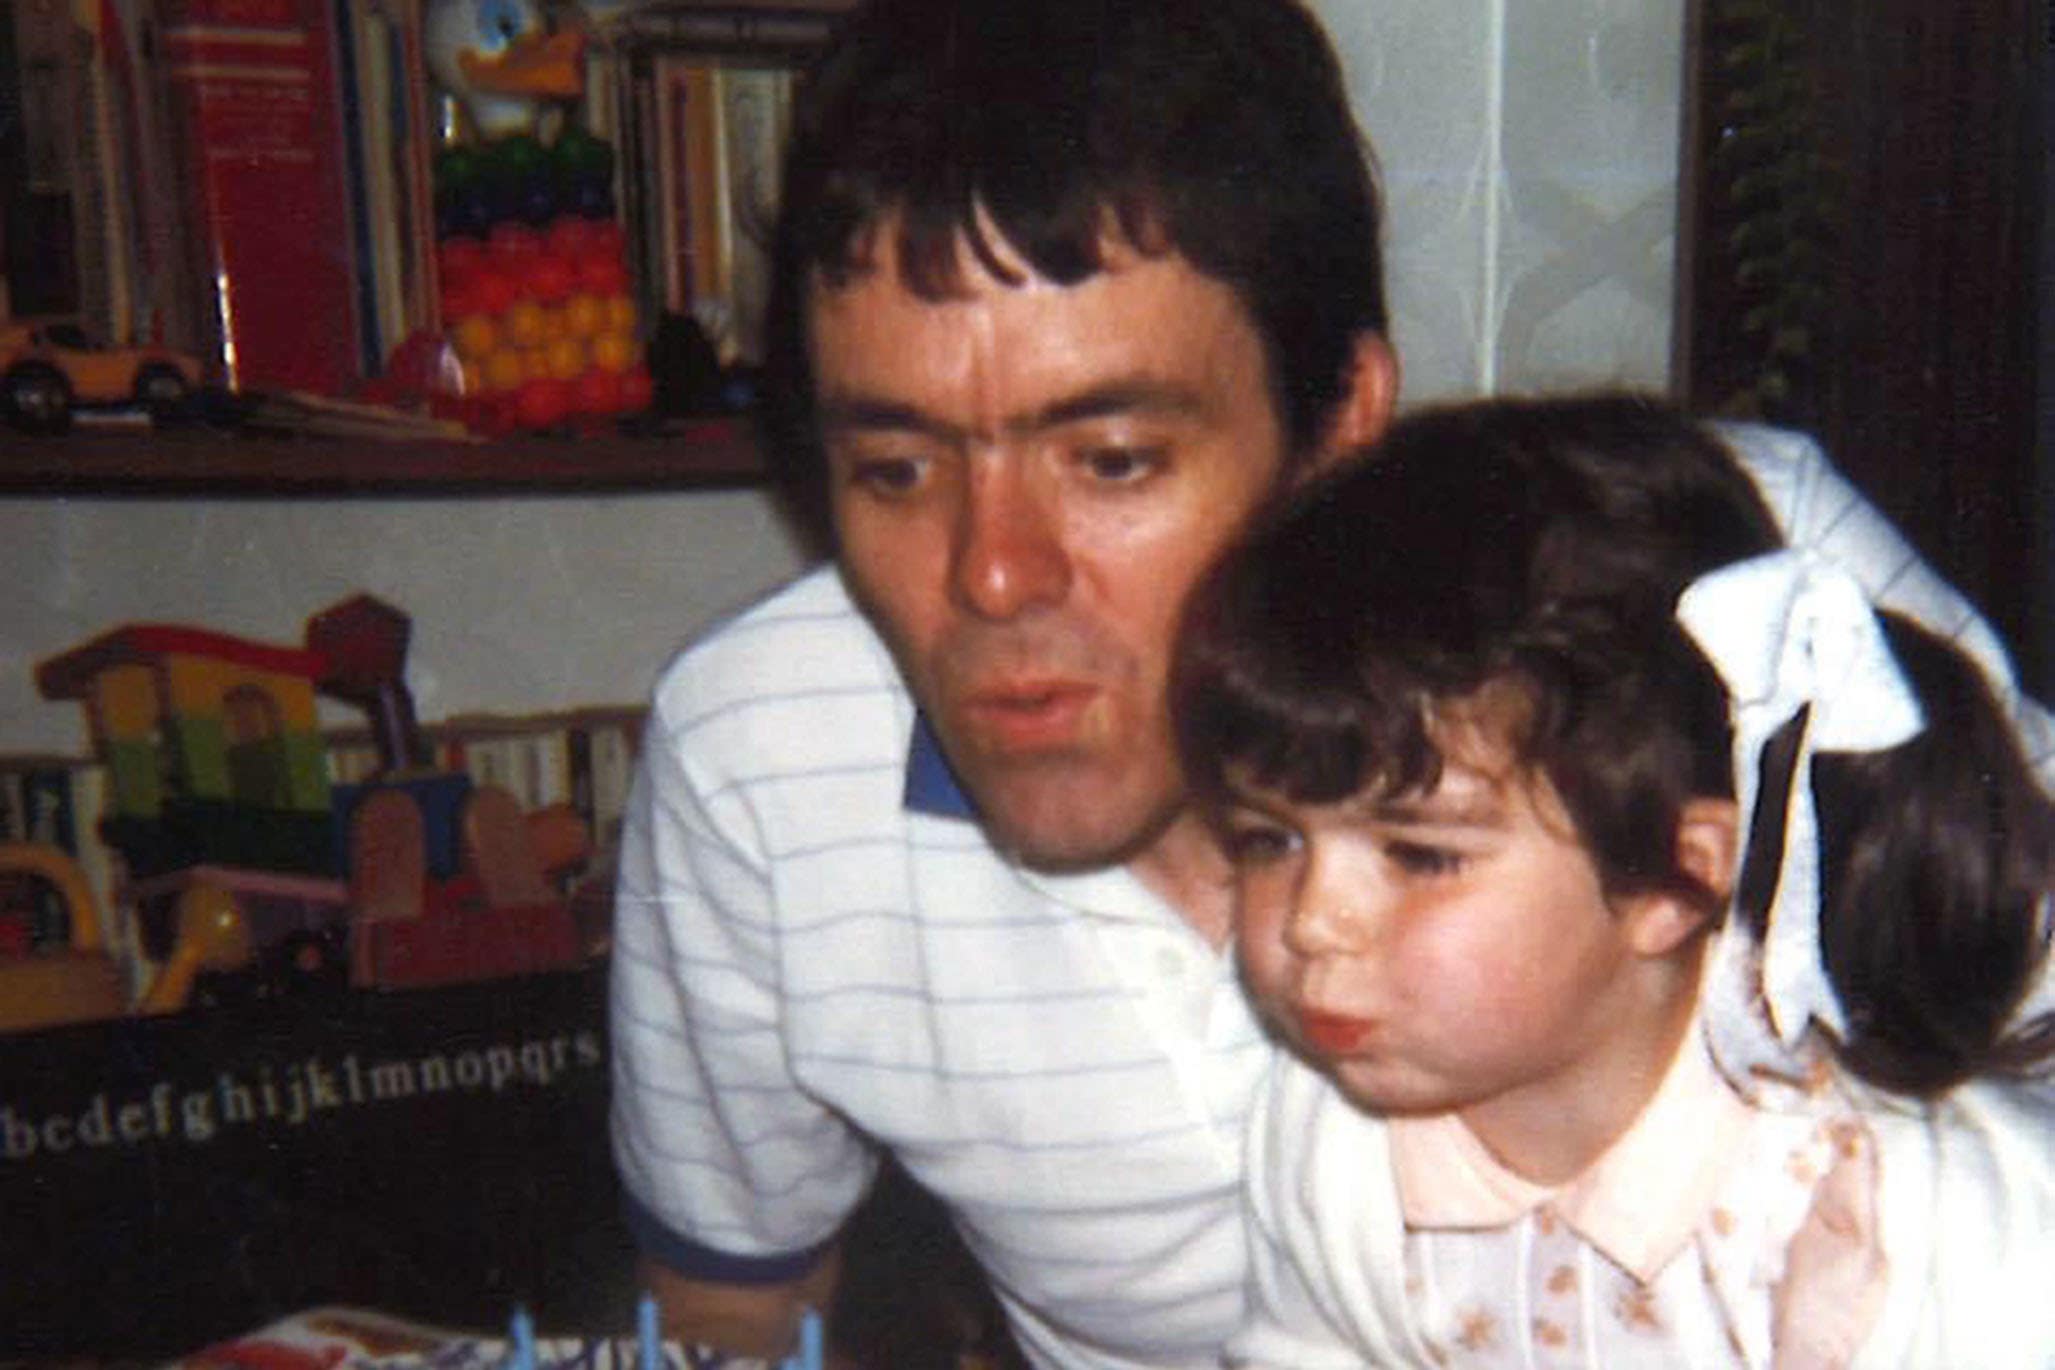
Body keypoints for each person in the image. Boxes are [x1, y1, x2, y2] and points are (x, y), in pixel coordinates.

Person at [607, 2, 2052, 1364]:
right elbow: (735, 1314)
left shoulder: (1728, 588)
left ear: (1338, 429)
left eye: (1111, 459)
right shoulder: (752, 760)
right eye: (895, 468)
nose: (990, 576)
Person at [1171, 393, 2055, 1368]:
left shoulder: (1889, 1221)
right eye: (1268, 839)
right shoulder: (1331, 1138)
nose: (1314, 924)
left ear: (1674, 883)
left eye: (1420, 852)